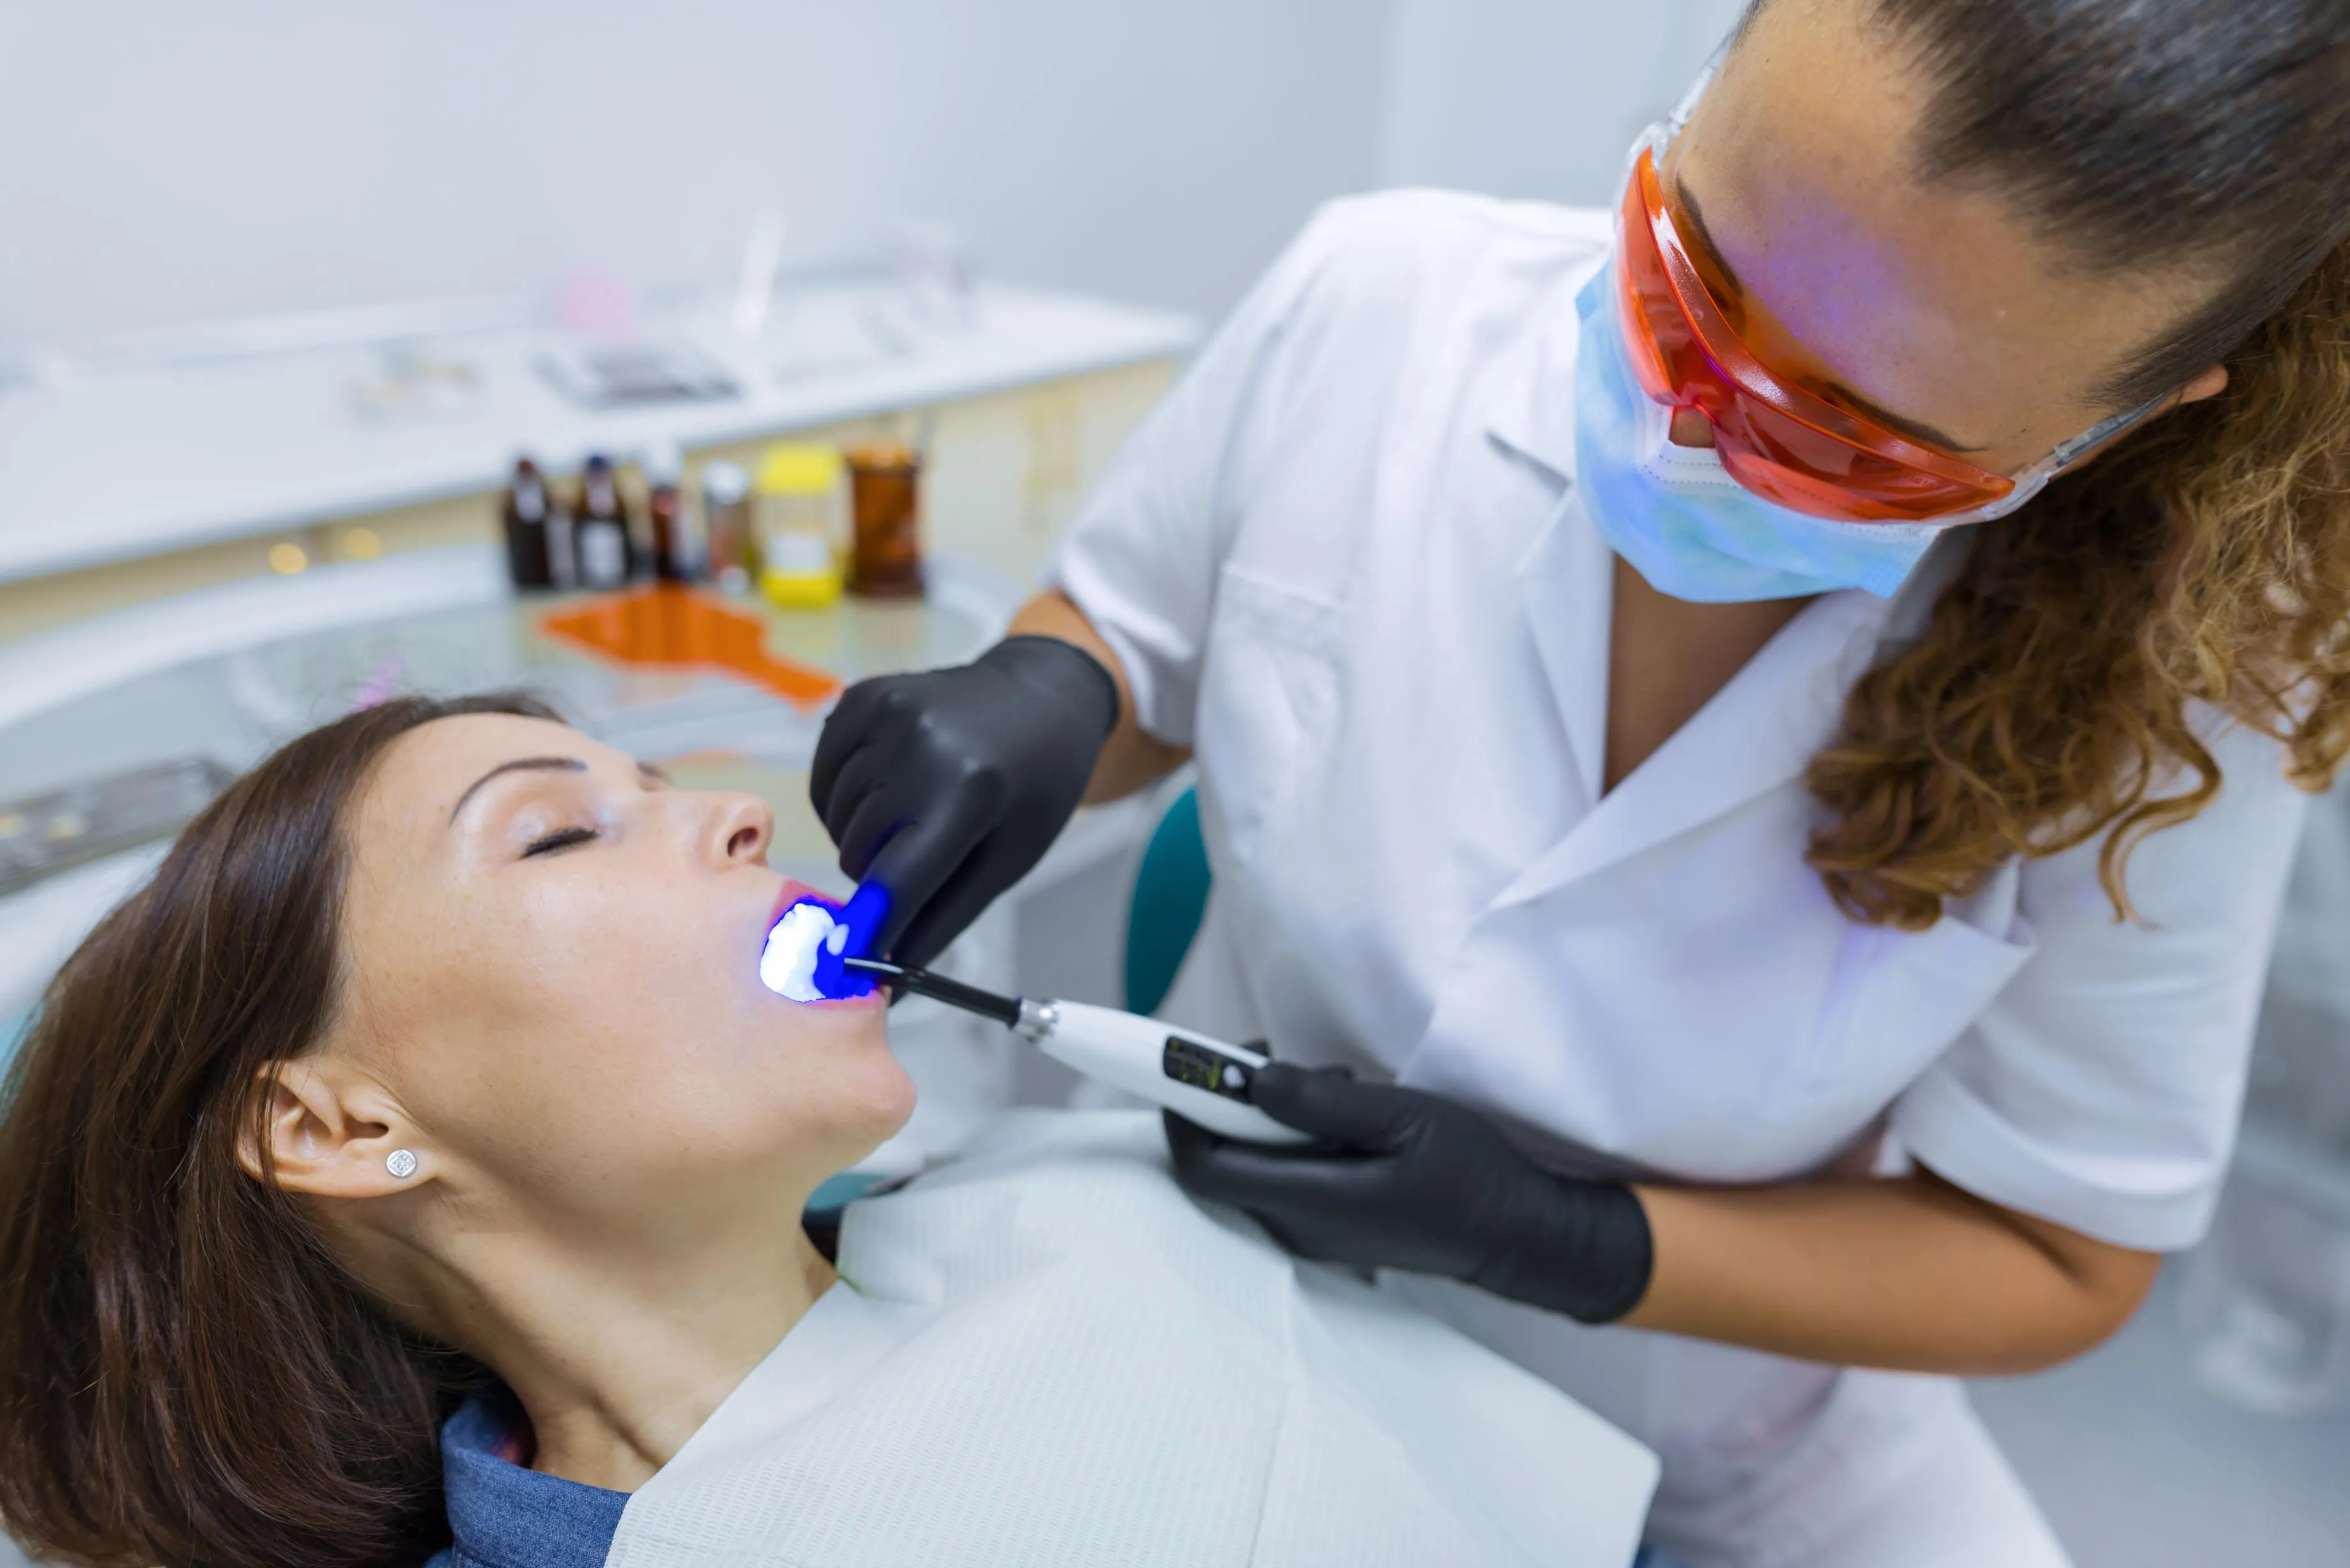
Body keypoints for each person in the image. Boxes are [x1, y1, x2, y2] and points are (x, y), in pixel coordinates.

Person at [804, 1, 2350, 1563]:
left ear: (2116, 426)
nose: (1689, 416)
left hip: (1697, 1417)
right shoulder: (1380, 299)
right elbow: (1135, 633)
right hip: (1209, 1251)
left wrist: (1565, 1241)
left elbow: (2060, 1251)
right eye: (1690, 273)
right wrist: (1055, 689)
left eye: (1853, 436)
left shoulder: (2189, 688)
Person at [0, 695, 1655, 1568]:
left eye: (662, 783)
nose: (735, 808)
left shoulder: (1065, 1182)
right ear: (343, 1123)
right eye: (560, 835)